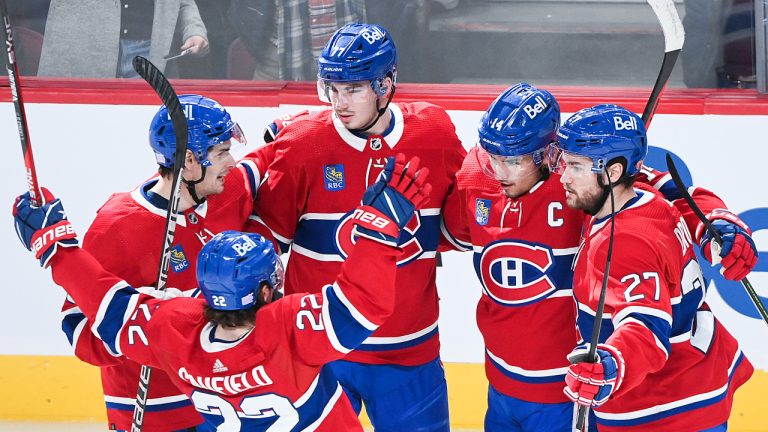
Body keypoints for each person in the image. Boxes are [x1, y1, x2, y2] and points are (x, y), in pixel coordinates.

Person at [12, 153, 432, 431]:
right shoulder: (287, 330)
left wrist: (55, 248)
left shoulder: (175, 332)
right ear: (267, 291)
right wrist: (378, 230)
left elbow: (111, 309)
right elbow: (363, 304)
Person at [439, 83, 758, 431]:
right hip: (500, 383)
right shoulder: (478, 173)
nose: (498, 171)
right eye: (492, 157)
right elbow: (443, 234)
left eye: (512, 161)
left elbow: (671, 193)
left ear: (547, 153)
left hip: (571, 387)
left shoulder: (583, 185)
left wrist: (716, 224)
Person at [249, 22, 466, 431]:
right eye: (331, 88)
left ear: (385, 86)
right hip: (322, 351)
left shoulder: (433, 133)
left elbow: (460, 224)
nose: (339, 102)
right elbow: (265, 241)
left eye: (352, 89)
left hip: (409, 351)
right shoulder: (304, 144)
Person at [58, 95, 271, 431]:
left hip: (222, 402)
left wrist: (289, 129)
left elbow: (265, 164)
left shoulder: (227, 190)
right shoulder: (117, 228)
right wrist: (148, 319)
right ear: (189, 159)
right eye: (221, 152)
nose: (231, 161)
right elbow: (77, 328)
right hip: (155, 410)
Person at [551, 104, 754, 431]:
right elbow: (674, 188)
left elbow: (644, 326)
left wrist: (612, 365)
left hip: (661, 410)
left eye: (576, 166)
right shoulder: (645, 197)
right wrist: (715, 221)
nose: (564, 176)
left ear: (614, 173)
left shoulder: (623, 242)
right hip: (699, 382)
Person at [38, 0, 208, 78]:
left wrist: (194, 30)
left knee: (142, 136)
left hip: (149, 54)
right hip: (83, 52)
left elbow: (182, 2)